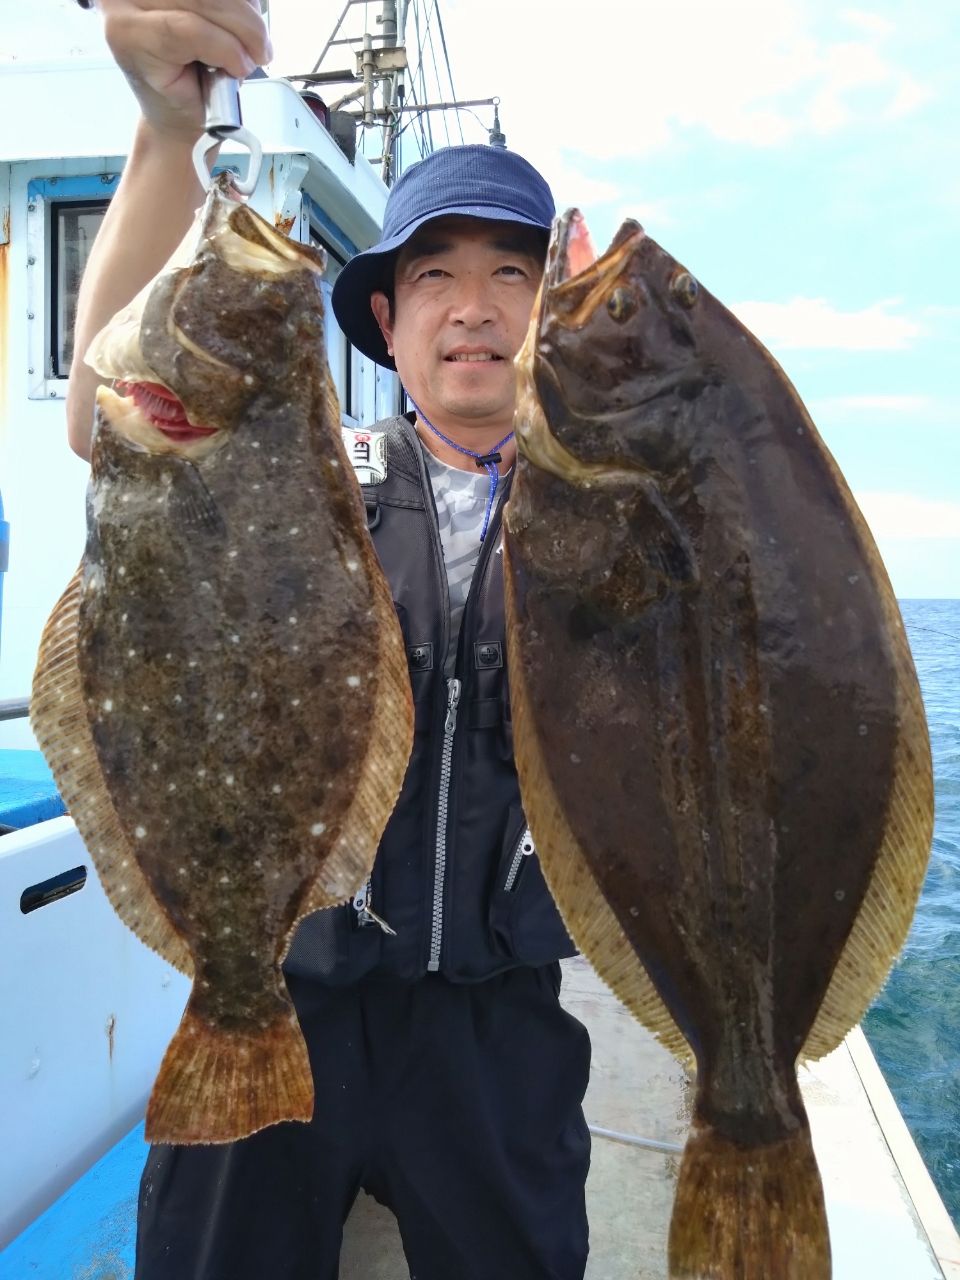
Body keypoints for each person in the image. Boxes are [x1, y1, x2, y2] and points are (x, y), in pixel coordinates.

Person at [67, 4, 592, 1279]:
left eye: (512, 275)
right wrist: (166, 133)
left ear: (552, 312)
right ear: (390, 325)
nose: (475, 308)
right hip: (290, 971)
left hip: (497, 1022)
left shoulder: (611, 511)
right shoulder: (316, 467)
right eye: (436, 277)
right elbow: (105, 413)